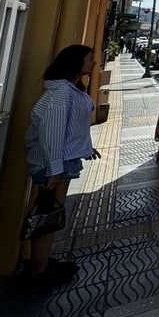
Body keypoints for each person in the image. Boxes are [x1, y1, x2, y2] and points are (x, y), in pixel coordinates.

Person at [23, 45, 100, 285]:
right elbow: (52, 133)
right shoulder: (61, 93)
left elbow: (70, 128)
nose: (94, 63)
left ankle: (42, 262)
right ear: (76, 62)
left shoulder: (68, 89)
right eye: (90, 59)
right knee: (47, 216)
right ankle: (39, 269)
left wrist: (85, 148)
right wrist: (54, 170)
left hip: (62, 161)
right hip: (55, 165)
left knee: (50, 214)